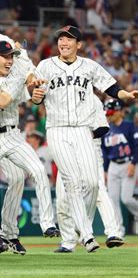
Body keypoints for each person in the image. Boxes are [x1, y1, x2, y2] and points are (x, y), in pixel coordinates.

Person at [31, 25, 138, 253]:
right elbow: (36, 94)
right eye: (61, 38)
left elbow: (110, 86)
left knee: (91, 183)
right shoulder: (46, 66)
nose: (64, 42)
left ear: (78, 44)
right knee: (70, 181)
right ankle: (87, 236)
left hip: (82, 130)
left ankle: (83, 227)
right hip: (58, 129)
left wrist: (125, 95)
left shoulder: (89, 66)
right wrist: (36, 97)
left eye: (69, 39)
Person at [0, 40, 59, 261]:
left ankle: (47, 224)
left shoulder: (15, 74)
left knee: (38, 171)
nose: (9, 60)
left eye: (11, 56)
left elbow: (3, 101)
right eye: (5, 56)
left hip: (12, 135)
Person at [55, 95, 124, 253]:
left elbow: (103, 127)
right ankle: (68, 242)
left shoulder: (93, 100)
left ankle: (112, 232)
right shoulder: (60, 95)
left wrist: (81, 136)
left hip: (90, 149)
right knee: (62, 199)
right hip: (65, 150)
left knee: (98, 190)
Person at [102, 99, 138, 239]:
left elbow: (136, 146)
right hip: (113, 165)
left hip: (128, 163)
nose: (108, 114)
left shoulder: (129, 126)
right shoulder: (106, 128)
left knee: (127, 198)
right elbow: (104, 151)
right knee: (113, 200)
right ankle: (118, 230)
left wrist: (134, 163)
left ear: (118, 111)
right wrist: (105, 170)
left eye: (110, 111)